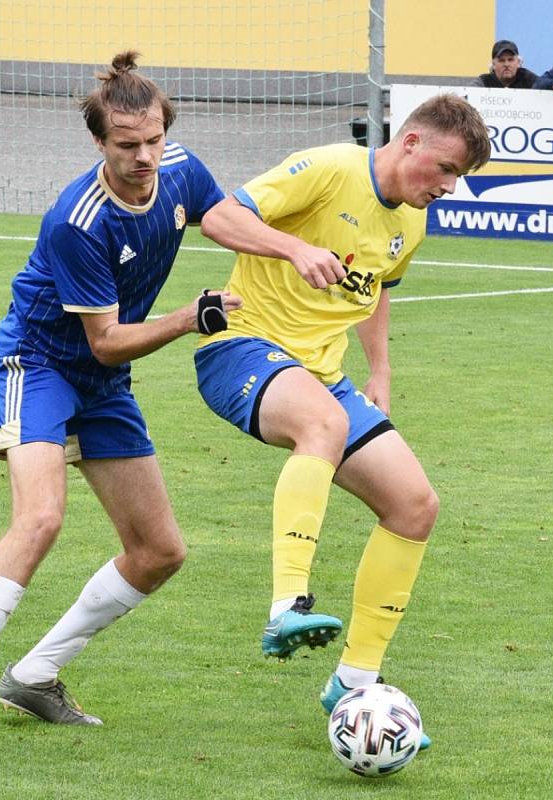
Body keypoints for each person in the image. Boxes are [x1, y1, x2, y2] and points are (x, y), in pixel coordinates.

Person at [0, 50, 240, 766]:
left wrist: (295, 252)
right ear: (99, 142)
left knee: (159, 552)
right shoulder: (76, 219)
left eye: (154, 140)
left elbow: (225, 216)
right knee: (40, 517)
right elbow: (105, 343)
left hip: (102, 382)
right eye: (127, 146)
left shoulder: (177, 166)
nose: (146, 156)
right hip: (42, 364)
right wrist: (189, 317)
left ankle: (33, 676)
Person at [194, 94, 491, 749]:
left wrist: (379, 370)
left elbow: (376, 289)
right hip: (238, 348)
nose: (445, 186)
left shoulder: (409, 222)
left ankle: (354, 680)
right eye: (442, 168)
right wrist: (291, 250)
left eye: (456, 178)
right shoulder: (328, 167)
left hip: (323, 377)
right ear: (409, 141)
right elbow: (218, 216)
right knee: (322, 426)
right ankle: (286, 608)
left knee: (414, 505)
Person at [472, 39, 537, 88]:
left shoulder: (528, 79)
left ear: (518, 62)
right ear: (493, 64)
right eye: (501, 60)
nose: (506, 64)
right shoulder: (483, 82)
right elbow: (464, 98)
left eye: (510, 60)